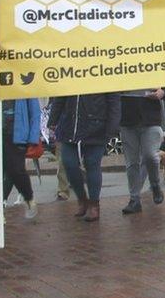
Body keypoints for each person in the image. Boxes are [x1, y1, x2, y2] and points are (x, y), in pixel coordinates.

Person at [48, 93, 121, 222]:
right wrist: (53, 119)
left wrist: (112, 128)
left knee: (92, 163)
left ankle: (94, 204)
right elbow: (60, 95)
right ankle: (82, 199)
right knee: (68, 163)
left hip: (97, 126)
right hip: (70, 127)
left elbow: (113, 101)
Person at [0, 94, 41, 228]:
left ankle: (28, 197)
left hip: (15, 133)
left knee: (16, 170)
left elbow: (34, 111)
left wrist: (33, 137)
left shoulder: (23, 82)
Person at [118, 88, 165, 215]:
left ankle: (155, 184)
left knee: (150, 155)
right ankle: (134, 199)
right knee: (131, 162)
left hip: (151, 117)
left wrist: (163, 91)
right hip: (127, 118)